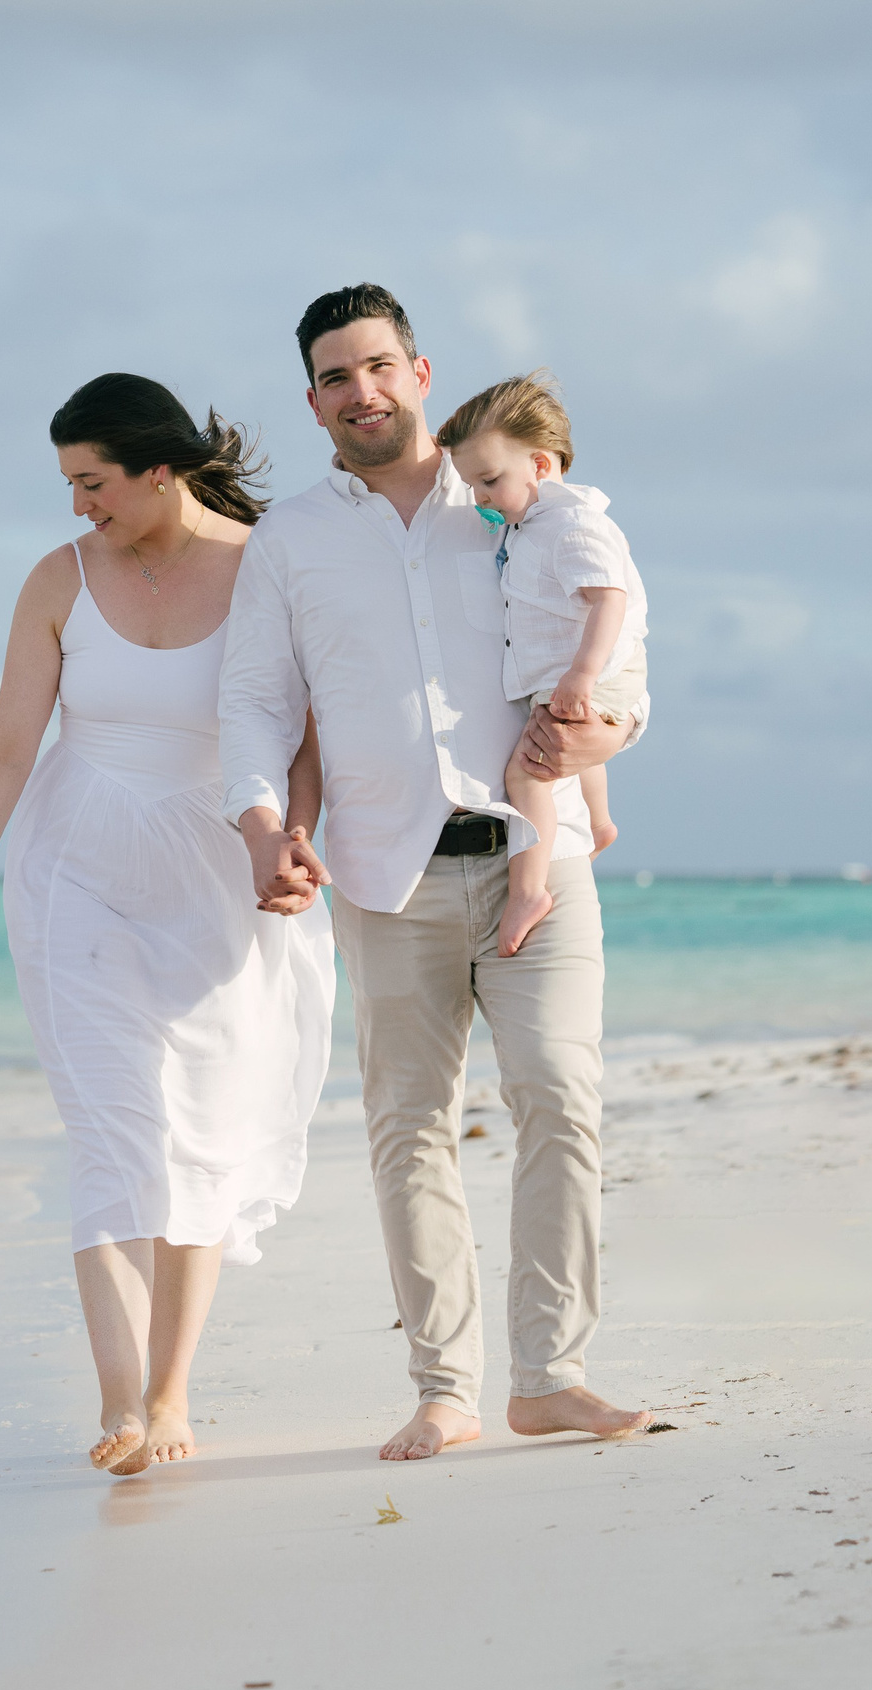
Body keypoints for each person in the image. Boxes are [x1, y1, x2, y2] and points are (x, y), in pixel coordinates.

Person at [219, 284, 655, 1463]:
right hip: (382, 874)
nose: (359, 391)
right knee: (406, 1128)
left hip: (537, 857)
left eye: (377, 366)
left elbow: (619, 645)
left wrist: (611, 729)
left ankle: (551, 1376)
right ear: (312, 401)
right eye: (334, 376)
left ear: (418, 371)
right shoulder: (290, 541)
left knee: (559, 1094)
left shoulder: (511, 491)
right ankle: (446, 1387)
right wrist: (259, 822)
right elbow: (255, 699)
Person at [0, 374, 333, 1477]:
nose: (78, 505)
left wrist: (293, 839)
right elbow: (8, 745)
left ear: (158, 468)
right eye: (68, 485)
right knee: (111, 1129)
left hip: (218, 867)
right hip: (75, 868)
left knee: (200, 1132)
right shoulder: (60, 578)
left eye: (93, 482)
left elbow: (302, 732)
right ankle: (121, 1401)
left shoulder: (267, 566)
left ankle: (172, 1389)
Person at [437, 373, 650, 956]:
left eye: (489, 481)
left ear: (538, 464)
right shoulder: (529, 525)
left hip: (596, 670)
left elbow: (609, 599)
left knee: (527, 775)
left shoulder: (572, 525)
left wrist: (582, 674)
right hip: (575, 673)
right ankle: (599, 822)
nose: (479, 497)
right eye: (471, 485)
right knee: (570, 753)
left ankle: (528, 890)